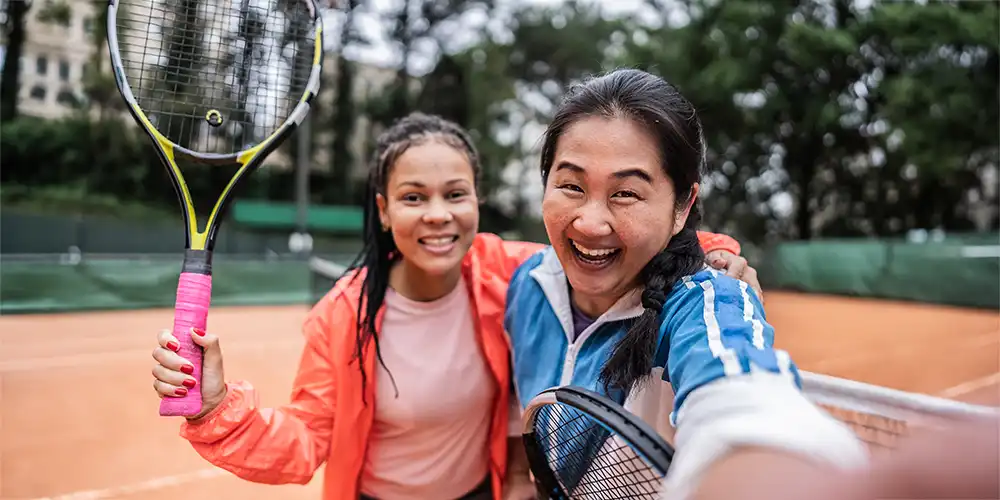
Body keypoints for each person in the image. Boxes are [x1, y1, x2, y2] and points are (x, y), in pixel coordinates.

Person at [149, 112, 759, 500]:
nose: (437, 214)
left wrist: (719, 253)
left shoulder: (507, 271)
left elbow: (616, 242)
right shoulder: (342, 316)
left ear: (476, 202)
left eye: (455, 194)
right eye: (413, 197)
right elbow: (307, 440)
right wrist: (216, 410)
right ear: (385, 212)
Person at [501, 68, 870, 500]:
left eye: (625, 193)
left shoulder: (706, 302)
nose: (589, 221)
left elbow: (745, 403)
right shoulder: (525, 285)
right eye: (570, 185)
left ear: (683, 206)